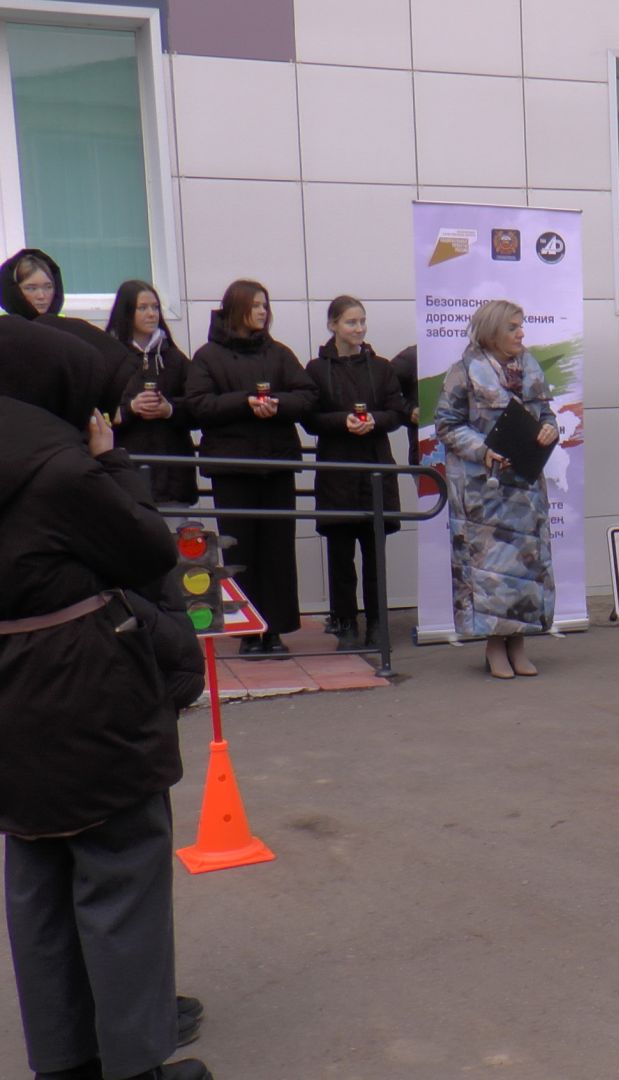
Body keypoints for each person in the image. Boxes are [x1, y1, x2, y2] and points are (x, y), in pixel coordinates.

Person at [0, 315, 214, 1080]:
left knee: (37, 887)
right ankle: (135, 1066)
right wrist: (113, 464)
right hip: (88, 694)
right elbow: (148, 550)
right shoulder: (61, 474)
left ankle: (63, 1063)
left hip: (11, 707)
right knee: (119, 875)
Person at [183, 280, 316, 658]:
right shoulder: (208, 356)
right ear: (237, 309)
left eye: (265, 305)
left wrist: (277, 404)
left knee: (277, 549)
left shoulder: (278, 353)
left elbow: (307, 395)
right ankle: (247, 631)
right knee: (238, 550)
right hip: (232, 468)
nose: (263, 311)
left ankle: (274, 629)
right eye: (256, 305)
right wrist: (246, 402)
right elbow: (198, 406)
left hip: (276, 464)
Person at [434, 300, 559, 680]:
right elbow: (446, 424)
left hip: (524, 484)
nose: (522, 333)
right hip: (482, 490)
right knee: (489, 570)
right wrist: (484, 450)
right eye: (513, 327)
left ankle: (519, 643)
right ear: (492, 332)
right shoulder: (464, 371)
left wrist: (550, 428)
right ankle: (494, 647)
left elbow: (546, 414)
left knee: (525, 565)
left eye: (522, 326)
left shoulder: (530, 367)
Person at [304, 296, 406, 650]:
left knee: (374, 553)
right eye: (351, 322)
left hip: (374, 468)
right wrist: (341, 422)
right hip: (337, 471)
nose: (359, 328)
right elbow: (310, 418)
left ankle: (378, 623)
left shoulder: (380, 367)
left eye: (362, 321)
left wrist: (374, 420)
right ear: (333, 325)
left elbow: (397, 411)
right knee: (340, 554)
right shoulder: (317, 370)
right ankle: (345, 621)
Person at [0, 249, 137, 415]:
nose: (42, 295)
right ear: (13, 290)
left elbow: (115, 365)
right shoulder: (6, 332)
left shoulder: (71, 329)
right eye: (31, 288)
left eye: (48, 287)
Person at [105, 281, 198, 507]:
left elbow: (199, 407)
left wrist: (170, 409)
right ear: (127, 312)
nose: (151, 314)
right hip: (124, 472)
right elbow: (96, 410)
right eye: (143, 308)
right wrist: (131, 408)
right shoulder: (108, 356)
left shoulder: (175, 359)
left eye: (155, 307)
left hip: (172, 474)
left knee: (172, 539)